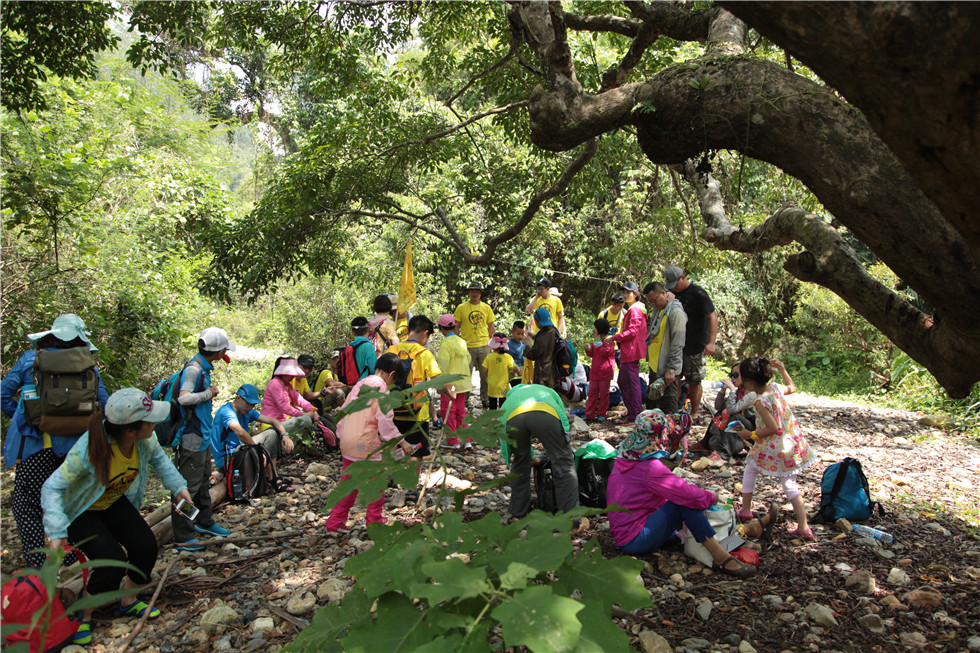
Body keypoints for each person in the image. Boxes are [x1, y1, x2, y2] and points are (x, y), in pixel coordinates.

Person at [41, 388, 193, 644]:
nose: (155, 422)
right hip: (81, 510)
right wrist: (55, 531)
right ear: (130, 430)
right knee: (111, 562)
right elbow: (52, 487)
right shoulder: (88, 449)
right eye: (150, 419)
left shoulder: (145, 439)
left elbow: (161, 462)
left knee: (145, 547)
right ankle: (82, 614)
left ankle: (128, 600)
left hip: (112, 501)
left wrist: (179, 487)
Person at [606, 410, 772, 577]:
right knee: (686, 504)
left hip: (635, 530)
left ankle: (747, 530)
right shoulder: (650, 468)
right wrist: (712, 497)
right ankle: (720, 558)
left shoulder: (627, 458)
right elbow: (688, 496)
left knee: (696, 522)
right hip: (635, 537)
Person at [1, 314, 110, 569]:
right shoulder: (87, 363)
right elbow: (105, 404)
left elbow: (3, 395)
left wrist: (24, 418)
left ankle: (39, 567)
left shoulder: (30, 360)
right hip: (75, 450)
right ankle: (74, 563)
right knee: (71, 502)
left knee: (27, 506)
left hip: (37, 446)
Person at [325, 353, 414, 533]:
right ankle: (374, 522)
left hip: (348, 441)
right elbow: (385, 422)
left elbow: (343, 411)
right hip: (366, 444)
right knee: (376, 485)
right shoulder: (381, 390)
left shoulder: (360, 384)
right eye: (394, 380)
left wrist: (341, 434)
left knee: (348, 485)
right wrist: (401, 442)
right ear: (391, 374)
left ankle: (334, 523)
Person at [735, 357, 818, 540]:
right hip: (792, 443)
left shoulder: (760, 402)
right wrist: (782, 369)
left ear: (749, 382)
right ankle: (803, 526)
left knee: (752, 469)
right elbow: (792, 387)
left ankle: (747, 510)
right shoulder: (776, 388)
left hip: (775, 446)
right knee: (786, 482)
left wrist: (751, 435)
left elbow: (773, 428)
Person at [171, 327, 235, 551]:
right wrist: (209, 393)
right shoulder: (194, 369)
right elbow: (184, 399)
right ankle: (183, 535)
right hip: (192, 437)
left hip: (203, 436)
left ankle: (204, 522)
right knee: (187, 486)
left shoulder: (202, 368)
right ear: (218, 351)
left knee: (203, 480)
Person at [497, 384, 581, 527]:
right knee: (563, 462)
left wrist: (528, 455)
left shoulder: (511, 398)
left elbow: (501, 424)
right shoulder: (548, 392)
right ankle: (570, 521)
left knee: (520, 461)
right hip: (545, 412)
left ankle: (518, 515)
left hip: (513, 417)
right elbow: (560, 414)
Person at [388, 315, 450, 460]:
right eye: (427, 337)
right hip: (417, 413)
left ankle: (392, 479)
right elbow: (439, 384)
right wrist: (449, 393)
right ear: (425, 333)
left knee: (394, 451)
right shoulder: (424, 354)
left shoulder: (392, 350)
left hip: (392, 409)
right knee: (417, 454)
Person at [210, 384, 292, 490]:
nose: (250, 408)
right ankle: (272, 478)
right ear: (238, 397)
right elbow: (241, 433)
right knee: (269, 436)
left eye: (252, 405)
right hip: (227, 456)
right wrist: (257, 450)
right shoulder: (227, 411)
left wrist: (285, 436)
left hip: (240, 449)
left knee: (271, 434)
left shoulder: (247, 412)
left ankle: (272, 477)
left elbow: (273, 421)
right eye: (248, 404)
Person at [664, 266, 718, 423]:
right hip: (676, 344)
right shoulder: (673, 294)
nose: (674, 287)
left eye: (675, 283)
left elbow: (712, 316)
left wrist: (711, 342)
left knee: (694, 380)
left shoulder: (698, 293)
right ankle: (676, 410)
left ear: (683, 277)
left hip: (695, 344)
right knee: (675, 378)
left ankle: (695, 413)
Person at [261, 357, 336, 448]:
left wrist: (312, 409)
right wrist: (303, 414)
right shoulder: (275, 384)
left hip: (283, 421)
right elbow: (284, 407)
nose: (292, 377)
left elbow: (300, 400)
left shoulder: (287, 385)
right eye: (290, 374)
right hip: (272, 424)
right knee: (306, 420)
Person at [604, 282, 647, 423]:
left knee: (631, 383)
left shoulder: (635, 310)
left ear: (635, 294)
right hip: (629, 350)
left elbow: (633, 331)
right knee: (624, 381)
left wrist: (614, 337)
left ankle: (635, 413)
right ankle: (632, 411)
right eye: (624, 292)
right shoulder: (633, 309)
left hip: (631, 350)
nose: (625, 295)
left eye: (628, 292)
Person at [643, 281, 687, 413]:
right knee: (651, 405)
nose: (653, 304)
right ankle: (652, 432)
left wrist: (672, 368)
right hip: (655, 367)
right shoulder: (659, 310)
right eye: (650, 302)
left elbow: (678, 342)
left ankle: (671, 433)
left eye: (654, 300)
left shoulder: (675, 311)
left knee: (668, 405)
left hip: (667, 368)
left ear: (663, 293)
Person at [453, 282, 495, 408]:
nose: (474, 293)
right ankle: (464, 401)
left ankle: (485, 399)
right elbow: (456, 325)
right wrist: (457, 341)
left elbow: (491, 327)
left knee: (486, 374)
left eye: (477, 291)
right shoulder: (461, 307)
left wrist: (493, 344)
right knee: (466, 374)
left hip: (484, 344)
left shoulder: (486, 308)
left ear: (480, 294)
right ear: (468, 293)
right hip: (467, 346)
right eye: (472, 291)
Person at [435, 314, 472, 448]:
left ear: (441, 328)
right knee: (460, 411)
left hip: (450, 382)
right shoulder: (461, 341)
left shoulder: (445, 344)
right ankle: (466, 439)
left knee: (448, 410)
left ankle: (453, 441)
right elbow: (468, 359)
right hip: (462, 382)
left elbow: (443, 364)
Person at [523, 278, 566, 384]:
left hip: (550, 332)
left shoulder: (556, 300)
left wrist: (559, 331)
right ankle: (548, 380)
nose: (539, 291)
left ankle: (542, 381)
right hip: (539, 333)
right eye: (538, 289)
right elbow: (529, 311)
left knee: (544, 359)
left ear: (548, 289)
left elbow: (560, 317)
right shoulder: (537, 299)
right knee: (542, 359)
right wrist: (537, 297)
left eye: (542, 289)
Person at [523, 307, 561, 389]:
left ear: (537, 321)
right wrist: (534, 336)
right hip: (553, 373)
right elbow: (546, 341)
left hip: (543, 376)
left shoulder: (541, 339)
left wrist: (526, 345)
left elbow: (532, 355)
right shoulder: (553, 331)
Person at [585, 319, 615, 421]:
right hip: (595, 373)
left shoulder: (609, 341)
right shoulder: (596, 342)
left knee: (604, 395)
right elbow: (592, 354)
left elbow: (605, 352)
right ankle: (589, 414)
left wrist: (597, 342)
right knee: (592, 394)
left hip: (605, 373)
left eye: (595, 328)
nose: (593, 330)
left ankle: (602, 414)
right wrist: (587, 349)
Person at [483, 335, 519, 410]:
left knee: (492, 406)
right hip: (503, 387)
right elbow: (514, 368)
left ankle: (492, 420)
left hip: (492, 386)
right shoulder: (508, 357)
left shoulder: (489, 357)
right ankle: (502, 420)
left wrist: (487, 377)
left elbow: (485, 370)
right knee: (503, 406)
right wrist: (516, 371)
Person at [347, 316, 378, 382]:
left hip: (351, 383)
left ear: (353, 332)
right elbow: (373, 370)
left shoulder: (350, 346)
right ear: (368, 330)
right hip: (364, 385)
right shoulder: (368, 347)